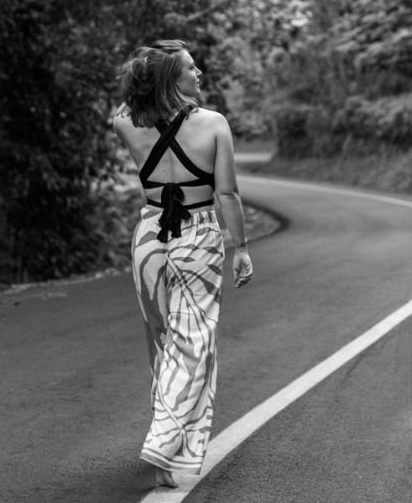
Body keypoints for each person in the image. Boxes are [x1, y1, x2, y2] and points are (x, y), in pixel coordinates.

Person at [110, 39, 254, 488]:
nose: (200, 74)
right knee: (193, 340)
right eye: (191, 68)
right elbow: (227, 193)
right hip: (198, 235)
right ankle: (165, 442)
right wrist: (242, 247)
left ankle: (168, 443)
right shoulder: (212, 124)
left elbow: (126, 103)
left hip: (149, 237)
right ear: (173, 79)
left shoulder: (124, 122)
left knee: (161, 338)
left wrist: (147, 78)